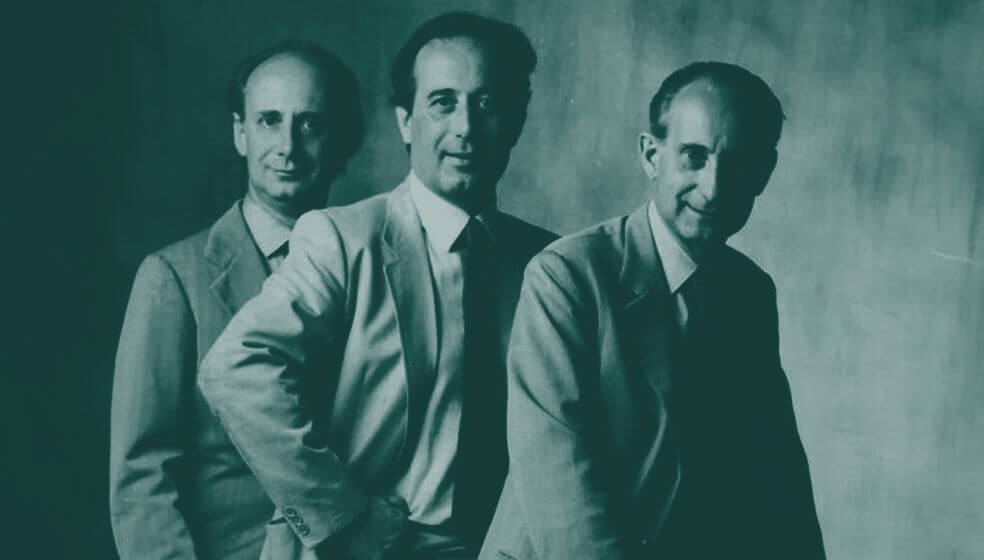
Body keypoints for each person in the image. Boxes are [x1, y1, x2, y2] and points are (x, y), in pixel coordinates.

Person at [198, 12, 555, 560]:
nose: (465, 127)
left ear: (517, 121)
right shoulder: (343, 239)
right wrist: (342, 519)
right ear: (406, 121)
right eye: (442, 102)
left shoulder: (547, 263)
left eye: (487, 103)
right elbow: (235, 369)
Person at [480, 62, 826, 559]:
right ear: (650, 155)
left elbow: (776, 469)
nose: (713, 187)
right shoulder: (566, 276)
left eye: (738, 163)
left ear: (763, 174)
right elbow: (562, 488)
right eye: (693, 157)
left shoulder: (749, 291)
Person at [109, 42, 362, 559]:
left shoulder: (372, 266)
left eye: (311, 125)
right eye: (269, 121)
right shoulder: (171, 278)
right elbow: (141, 479)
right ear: (240, 133)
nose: (288, 146)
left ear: (343, 141)